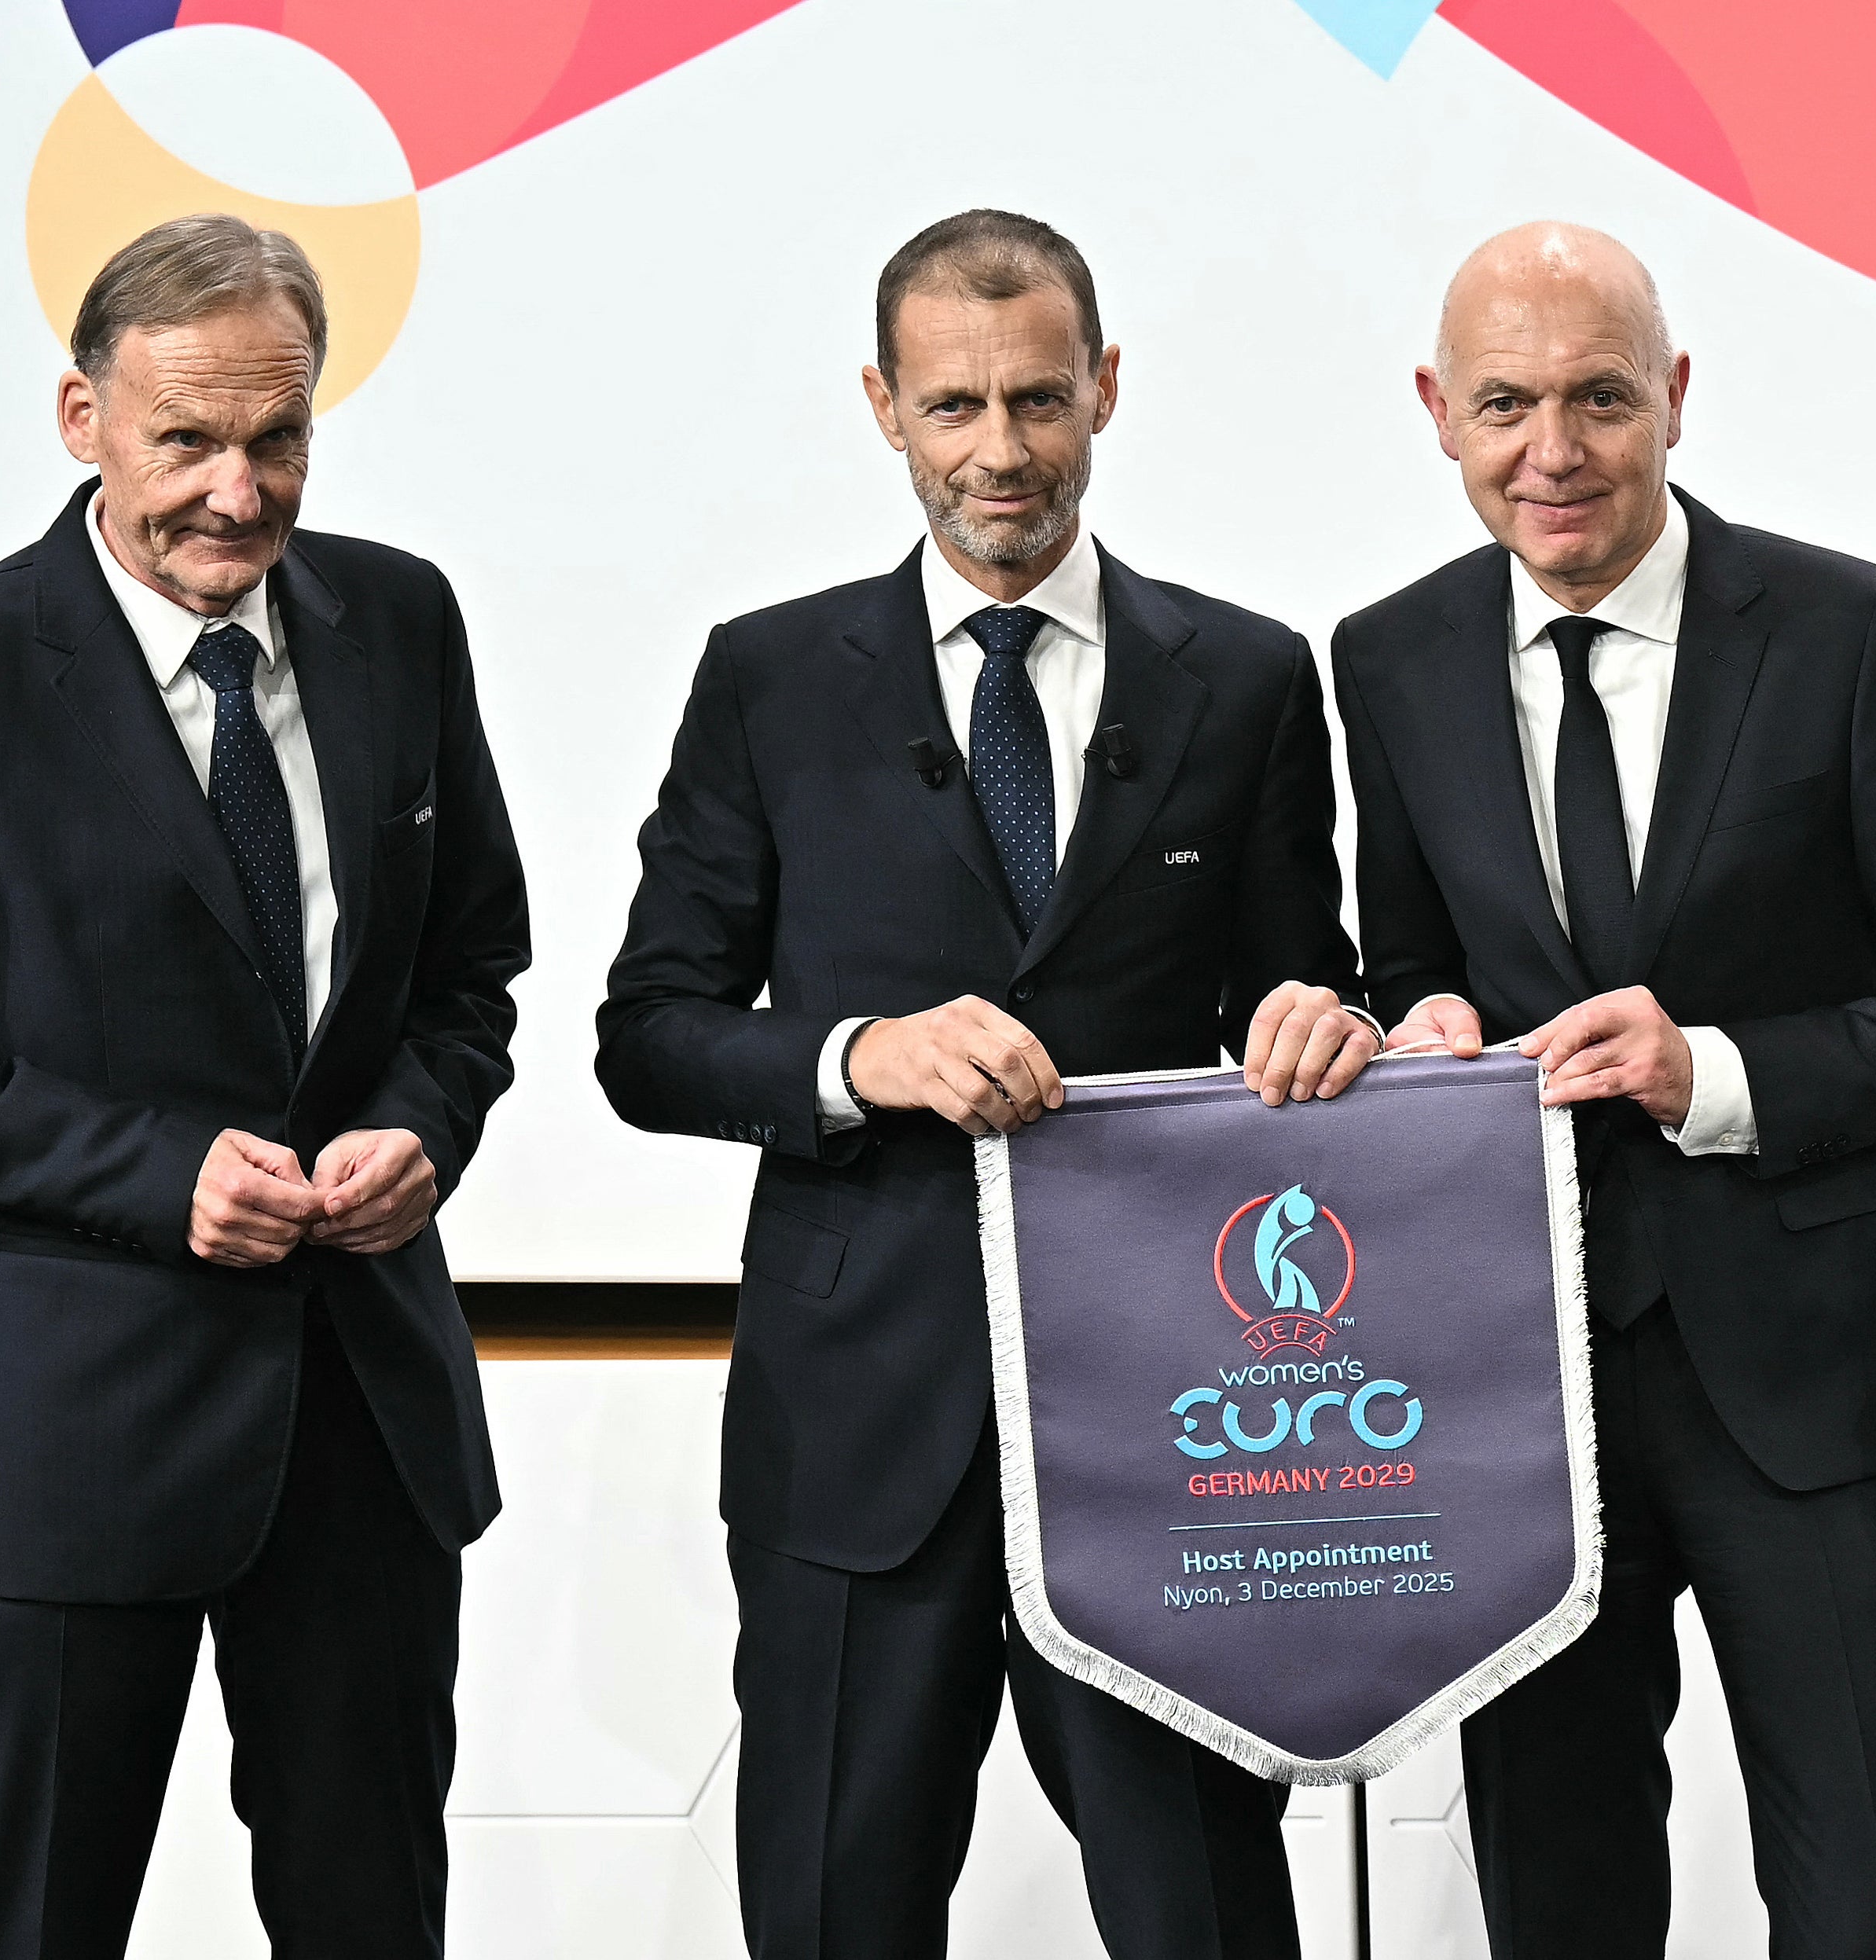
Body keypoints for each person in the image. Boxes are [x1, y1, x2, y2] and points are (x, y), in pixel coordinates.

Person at [596, 208, 1371, 1960]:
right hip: (858, 1430)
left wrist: (1327, 1018)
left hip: (1175, 1423)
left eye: (1036, 398)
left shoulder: (1246, 677)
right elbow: (647, 1031)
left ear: (1104, 389)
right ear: (883, 406)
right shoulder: (767, 677)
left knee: (1208, 1917)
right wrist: (856, 1058)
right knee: (828, 1915)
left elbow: (1308, 978)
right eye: (953, 406)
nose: (998, 451)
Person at [0, 215, 530, 1958]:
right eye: (185, 440)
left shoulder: (402, 620)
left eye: (278, 438)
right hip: (66, 1429)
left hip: (364, 1425)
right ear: (79, 417)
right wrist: (153, 1168)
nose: (238, 493)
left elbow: (474, 970)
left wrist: (426, 1117)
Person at [1334, 222, 1876, 1958]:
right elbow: (1411, 957)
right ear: (1435, 410)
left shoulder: (1851, 629)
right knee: (1555, 1898)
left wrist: (1705, 1069)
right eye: (1503, 403)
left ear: (1675, 399)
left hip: (1804, 1388)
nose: (1549, 450)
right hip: (1515, 1396)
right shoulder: (1388, 657)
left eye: (1596, 397)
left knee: (1860, 1893)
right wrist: (1409, 1023)